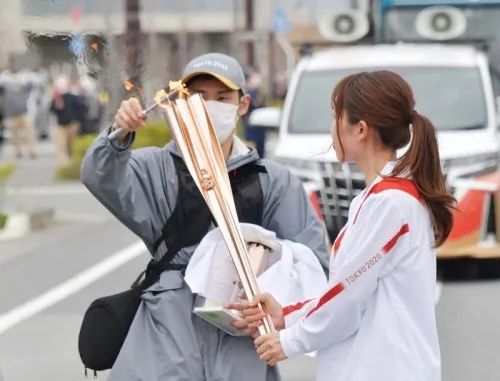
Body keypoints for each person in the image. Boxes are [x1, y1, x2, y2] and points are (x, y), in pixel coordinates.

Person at [81, 52, 328, 381]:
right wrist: (118, 134)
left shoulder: (272, 180)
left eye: (223, 98)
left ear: (243, 105)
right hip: (166, 339)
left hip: (241, 346)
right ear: (180, 102)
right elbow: (101, 177)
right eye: (199, 97)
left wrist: (272, 299)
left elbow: (312, 263)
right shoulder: (158, 168)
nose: (210, 106)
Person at [230, 70, 456, 381]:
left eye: (337, 116)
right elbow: (347, 289)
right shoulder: (377, 198)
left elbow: (348, 297)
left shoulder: (391, 204)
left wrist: (289, 341)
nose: (332, 128)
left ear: (360, 129)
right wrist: (286, 314)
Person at [50, 75, 83, 165]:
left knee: (72, 146)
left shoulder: (73, 97)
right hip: (61, 126)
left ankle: (73, 163)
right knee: (61, 146)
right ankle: (64, 165)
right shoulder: (57, 98)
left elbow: (79, 110)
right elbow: (52, 110)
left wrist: (77, 121)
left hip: (72, 125)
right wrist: (57, 104)